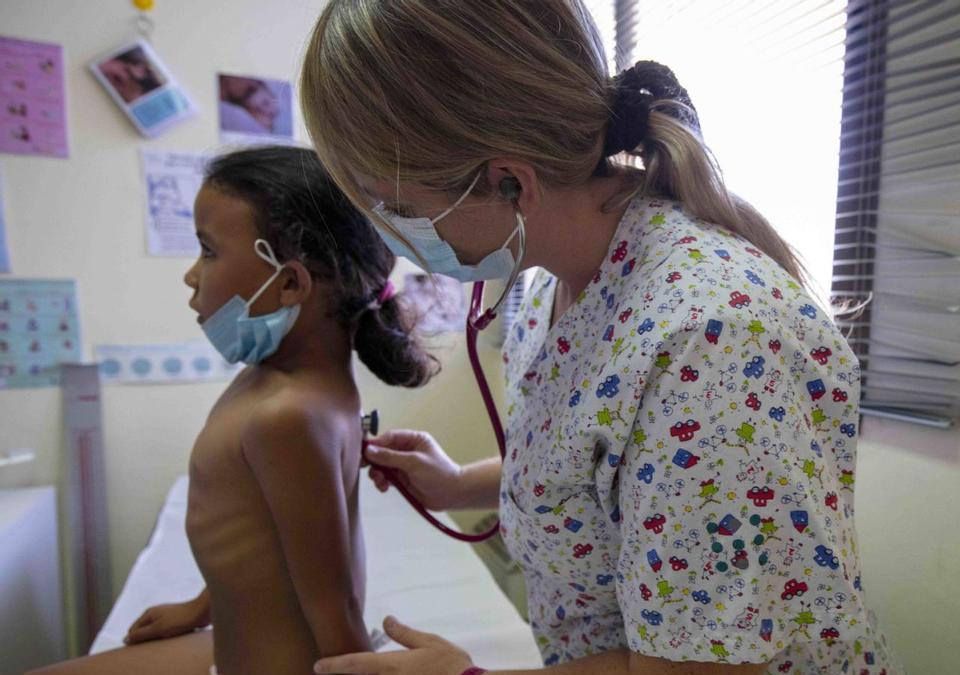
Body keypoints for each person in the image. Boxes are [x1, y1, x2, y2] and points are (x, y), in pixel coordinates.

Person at [300, 1, 903, 674]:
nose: (394, 235)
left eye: (399, 208)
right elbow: (612, 463)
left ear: (508, 181)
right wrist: (457, 482)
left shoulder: (709, 340)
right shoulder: (550, 281)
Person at [28, 145, 436, 675]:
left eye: (208, 251)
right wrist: (200, 607)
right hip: (237, 646)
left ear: (289, 283)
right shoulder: (278, 382)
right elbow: (266, 543)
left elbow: (335, 606)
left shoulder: (287, 415)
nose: (191, 276)